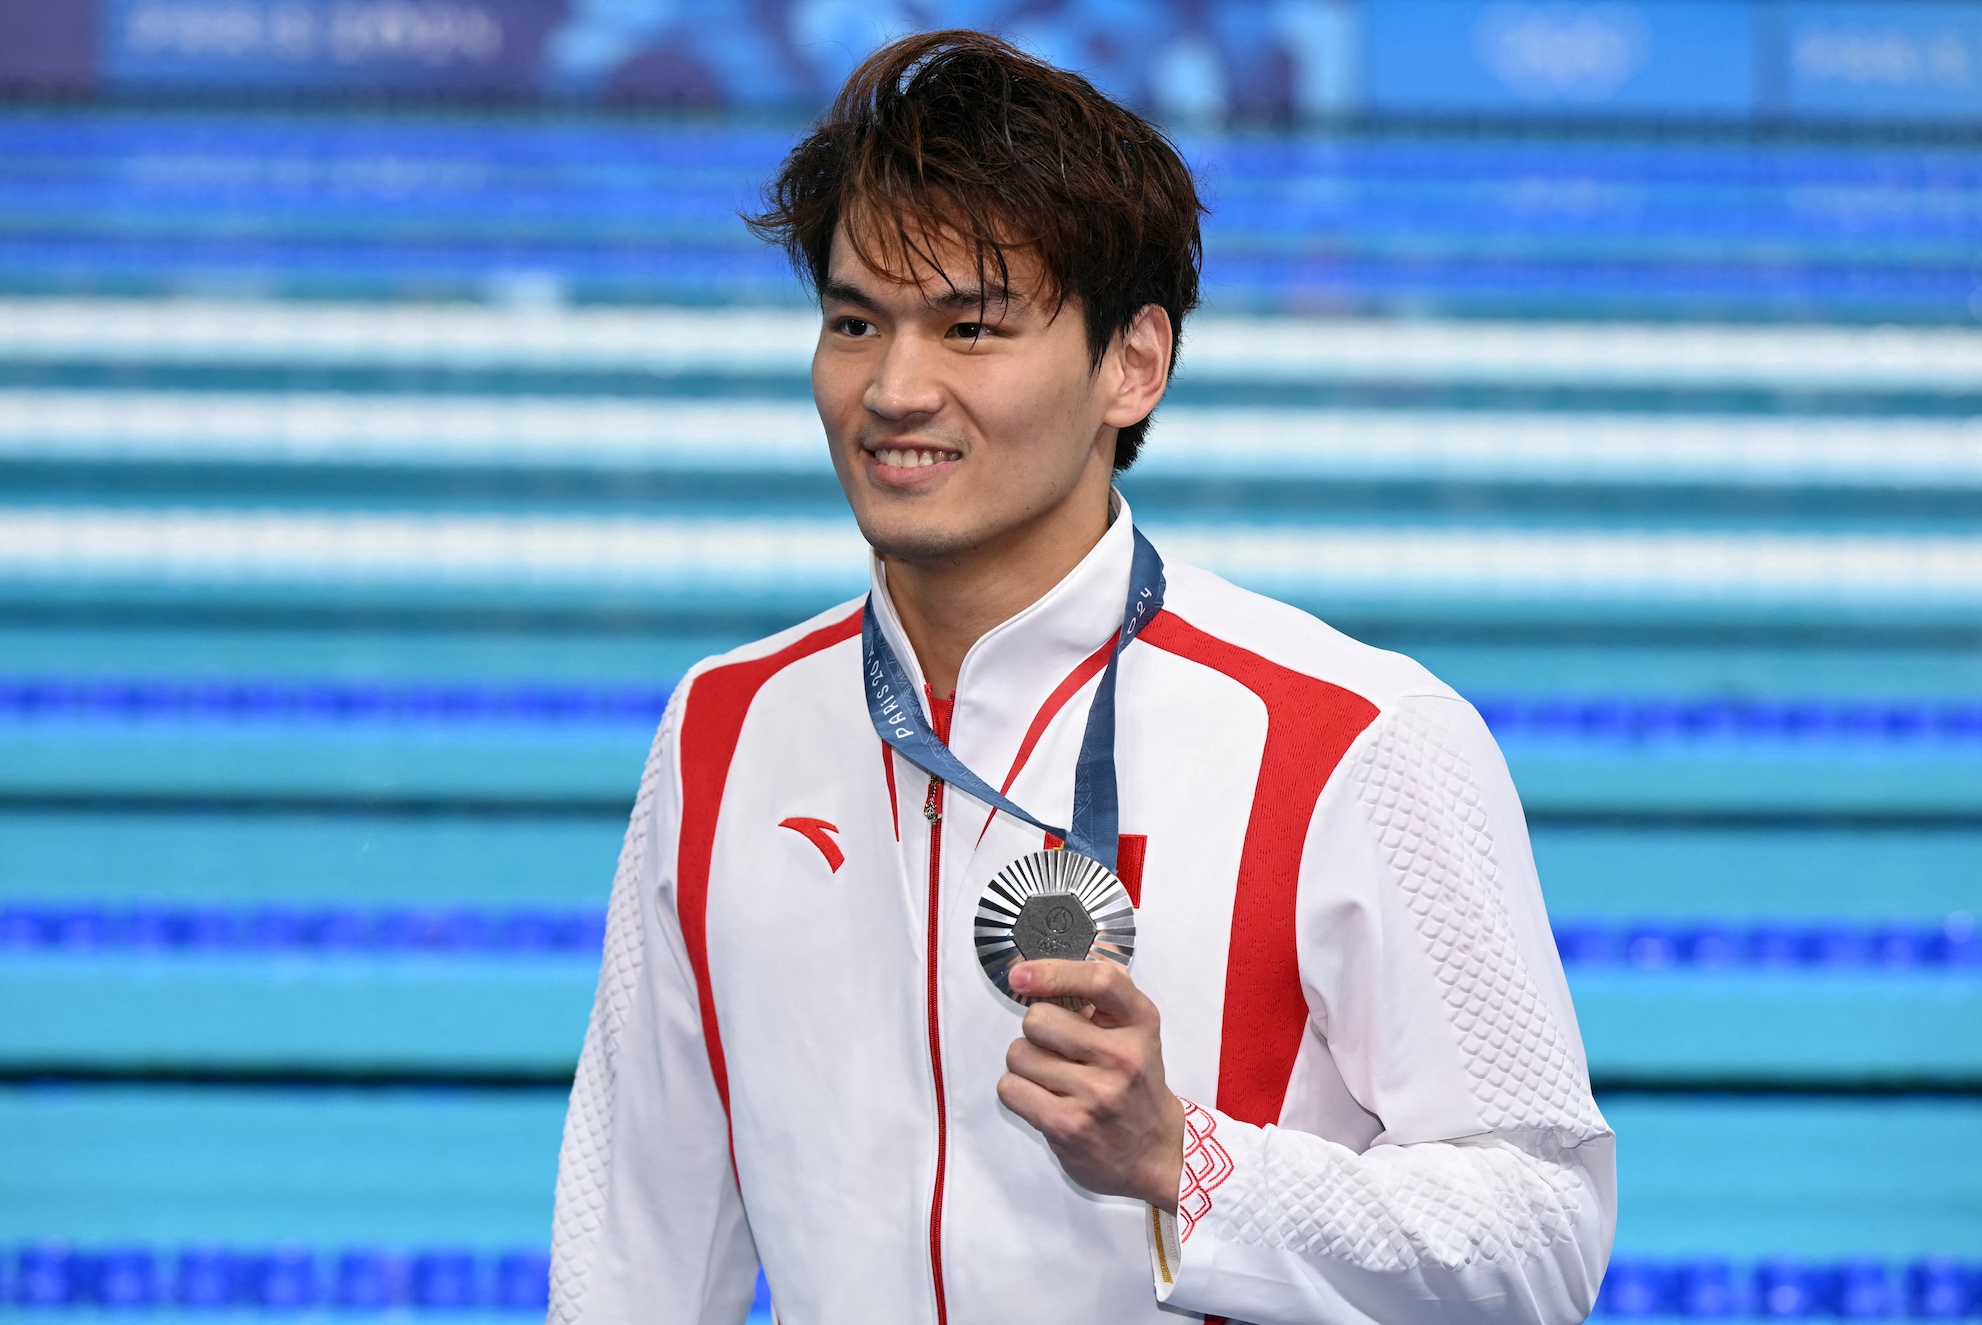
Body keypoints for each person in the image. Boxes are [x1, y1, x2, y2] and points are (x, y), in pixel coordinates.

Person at [548, 29, 1614, 1325]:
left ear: (1134, 362)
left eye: (972, 326)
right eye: (853, 321)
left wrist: (1187, 1160)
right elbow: (636, 1254)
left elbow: (1543, 1235)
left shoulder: (1352, 737)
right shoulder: (727, 731)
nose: (894, 388)